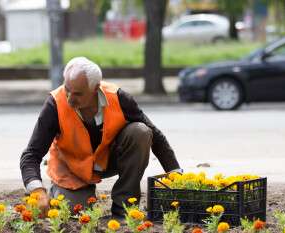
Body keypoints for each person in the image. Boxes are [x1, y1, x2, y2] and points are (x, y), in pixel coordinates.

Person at [20, 57, 182, 218]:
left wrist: (176, 176)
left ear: (95, 88)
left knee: (141, 132)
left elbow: (156, 137)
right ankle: (60, 190)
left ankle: (123, 208)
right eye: (67, 89)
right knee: (73, 212)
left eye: (78, 94)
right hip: (72, 169)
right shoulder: (54, 105)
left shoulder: (119, 98)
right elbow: (31, 155)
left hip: (108, 160)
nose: (69, 98)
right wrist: (37, 191)